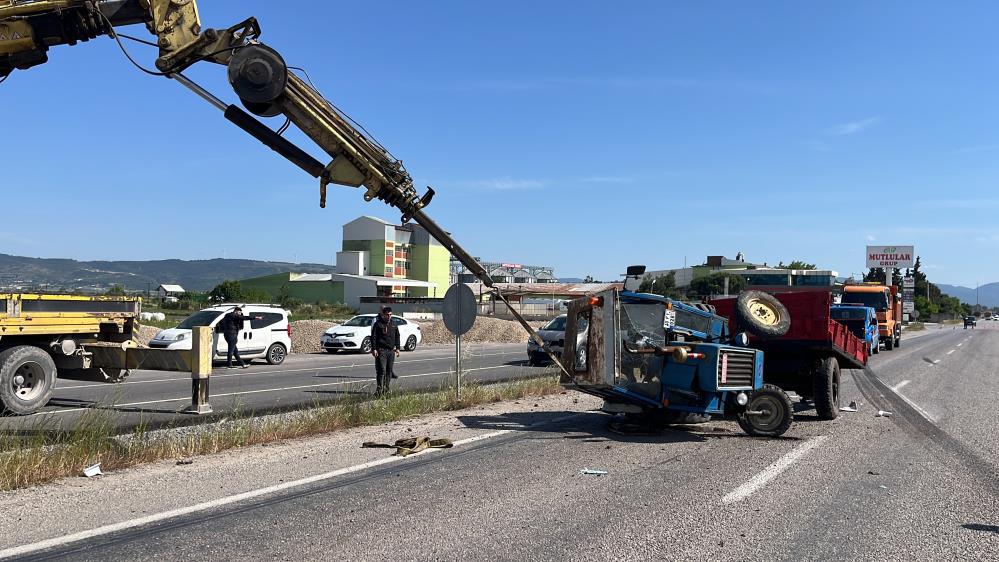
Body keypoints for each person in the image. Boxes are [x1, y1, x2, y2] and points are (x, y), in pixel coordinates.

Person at [371, 306, 401, 395]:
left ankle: (386, 389)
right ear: (383, 314)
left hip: (391, 351)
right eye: (387, 315)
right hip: (381, 351)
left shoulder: (394, 324)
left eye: (390, 315)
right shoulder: (378, 324)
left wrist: (398, 348)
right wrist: (374, 349)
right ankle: (379, 390)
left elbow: (397, 336)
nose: (389, 316)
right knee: (382, 370)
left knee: (389, 371)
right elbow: (374, 337)